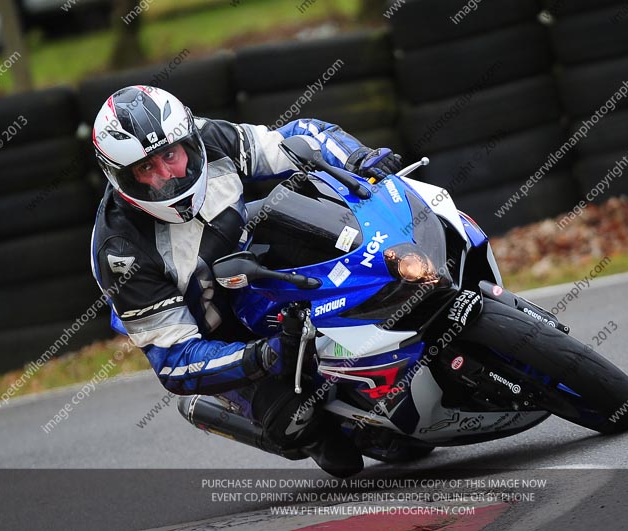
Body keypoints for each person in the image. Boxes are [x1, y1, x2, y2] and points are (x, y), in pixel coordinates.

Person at [90, 85, 403, 476]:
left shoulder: (207, 137)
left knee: (315, 217)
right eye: (145, 169)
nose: (167, 175)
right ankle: (306, 428)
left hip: (252, 256)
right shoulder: (121, 252)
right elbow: (173, 361)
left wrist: (357, 156)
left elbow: (294, 138)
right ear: (122, 178)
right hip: (213, 328)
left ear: (186, 139)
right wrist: (264, 355)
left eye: (170, 155)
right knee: (298, 424)